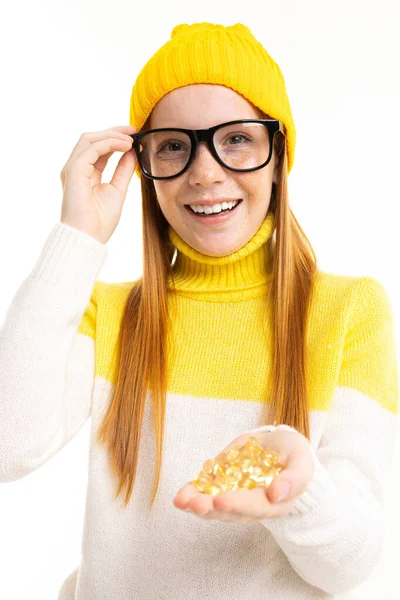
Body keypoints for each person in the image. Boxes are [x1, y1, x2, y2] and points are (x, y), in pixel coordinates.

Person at [0, 21, 398, 600]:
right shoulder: (109, 315)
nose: (205, 170)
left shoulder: (350, 312)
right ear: (145, 170)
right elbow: (8, 446)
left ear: (278, 151)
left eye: (236, 138)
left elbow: (350, 566)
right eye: (173, 145)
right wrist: (78, 235)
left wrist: (299, 489)